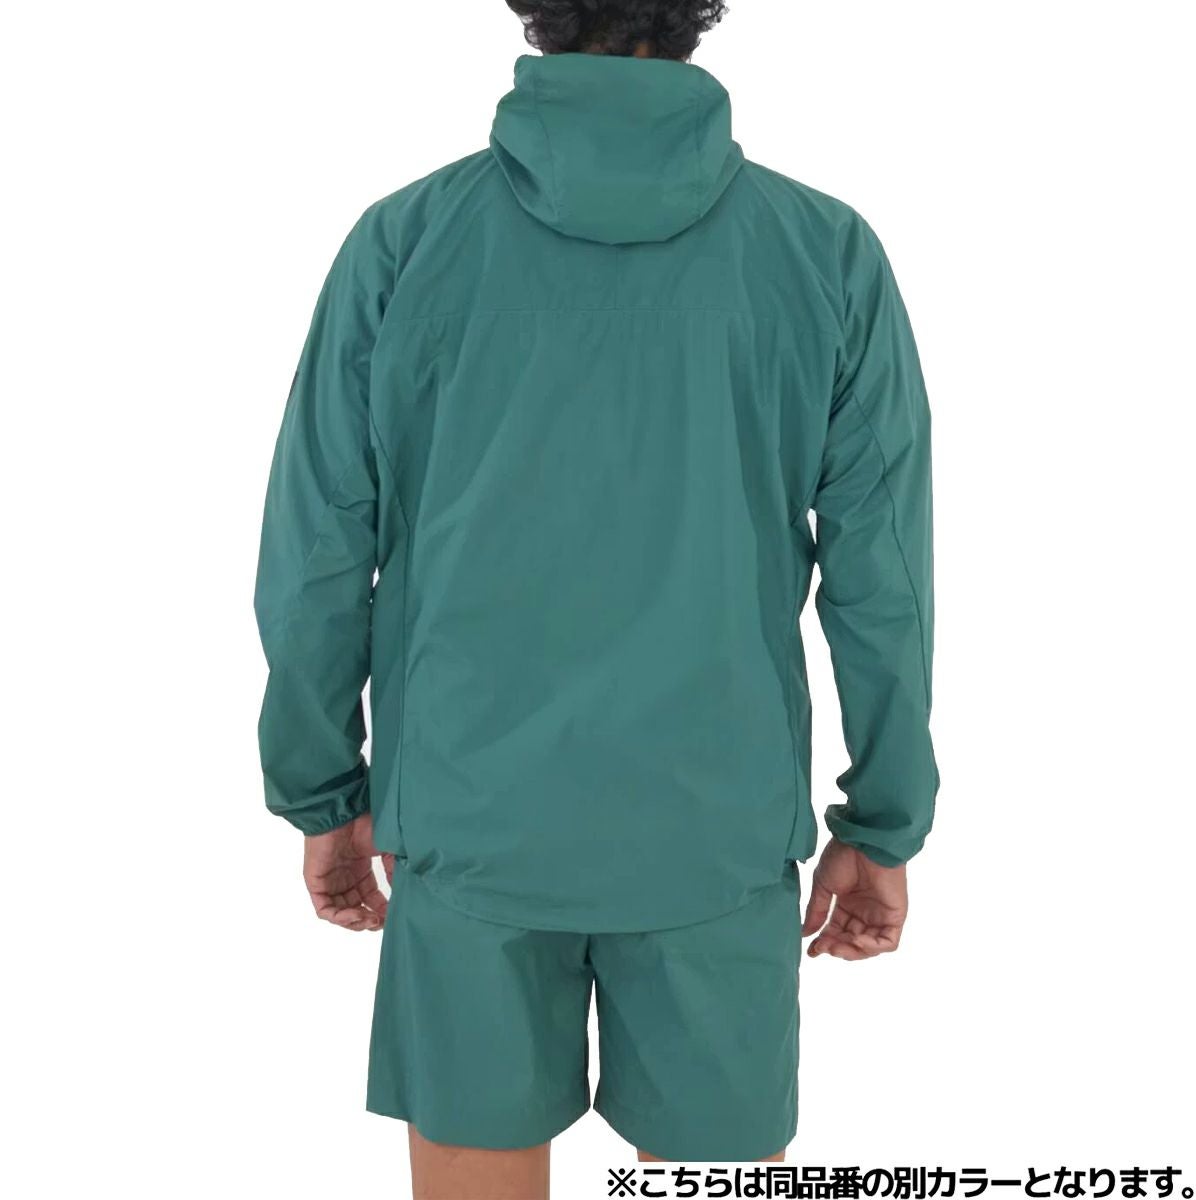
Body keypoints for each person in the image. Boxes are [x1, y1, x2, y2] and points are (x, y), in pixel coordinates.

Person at [253, 0, 938, 1194]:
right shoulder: (822, 250)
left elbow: (319, 549)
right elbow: (884, 579)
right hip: (714, 828)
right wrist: (881, 821)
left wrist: (323, 792)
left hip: (468, 818)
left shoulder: (405, 242)